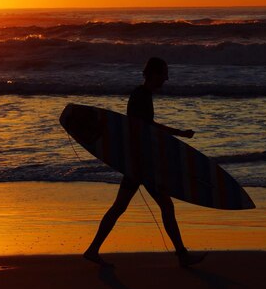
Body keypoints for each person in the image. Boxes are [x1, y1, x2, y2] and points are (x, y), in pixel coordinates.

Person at [83, 57, 206, 267]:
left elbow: (145, 126)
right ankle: (182, 255)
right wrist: (178, 135)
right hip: (142, 164)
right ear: (154, 74)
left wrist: (178, 134)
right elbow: (142, 129)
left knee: (122, 207)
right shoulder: (141, 96)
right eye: (164, 74)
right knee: (164, 206)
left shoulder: (141, 94)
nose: (166, 78)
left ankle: (93, 249)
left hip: (137, 162)